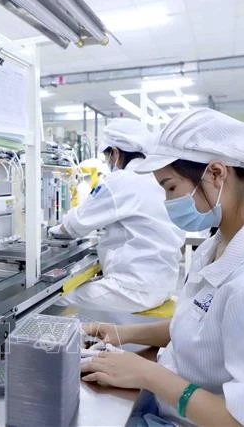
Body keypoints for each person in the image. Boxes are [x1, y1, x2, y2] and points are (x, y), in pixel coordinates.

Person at [81, 108, 244, 426]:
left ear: (215, 174)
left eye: (171, 188)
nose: (167, 201)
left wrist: (149, 374)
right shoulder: (222, 242)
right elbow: (202, 324)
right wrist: (124, 333)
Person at [49, 119, 185, 312]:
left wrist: (53, 231)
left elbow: (74, 225)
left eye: (108, 156)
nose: (109, 161)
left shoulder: (120, 180)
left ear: (115, 152)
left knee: (56, 299)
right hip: (163, 282)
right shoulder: (155, 175)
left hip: (133, 289)